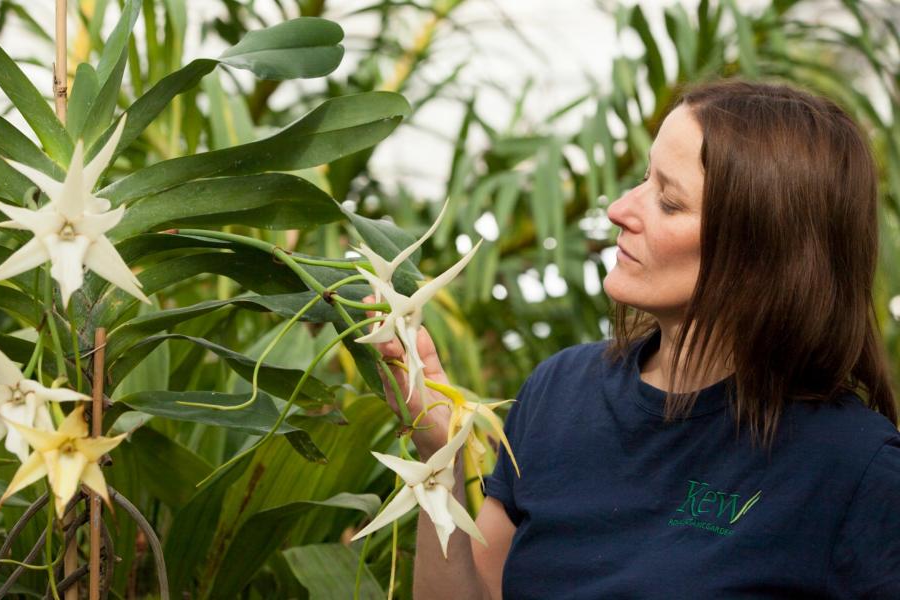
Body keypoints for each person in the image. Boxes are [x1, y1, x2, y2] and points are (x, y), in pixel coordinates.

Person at [365, 80, 900, 599]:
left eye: (668, 201)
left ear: (762, 255)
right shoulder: (559, 390)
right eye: (644, 179)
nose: (620, 209)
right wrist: (441, 453)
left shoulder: (856, 469)